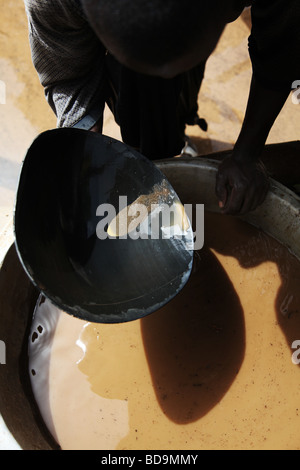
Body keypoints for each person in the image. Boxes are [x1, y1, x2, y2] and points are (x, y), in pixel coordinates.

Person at [24, 0, 300, 215]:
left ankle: (177, 118)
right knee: (142, 106)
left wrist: (247, 155)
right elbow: (68, 75)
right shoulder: (53, 4)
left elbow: (280, 52)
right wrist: (83, 150)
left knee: (169, 102)